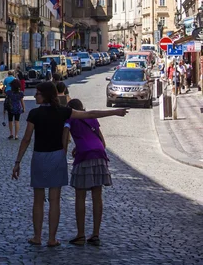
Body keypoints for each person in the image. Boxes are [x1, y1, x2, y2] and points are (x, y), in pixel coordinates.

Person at [12, 82, 128, 247]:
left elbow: (26, 139)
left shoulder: (34, 114)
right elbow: (90, 114)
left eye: (37, 93)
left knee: (38, 199)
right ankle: (52, 238)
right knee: (55, 200)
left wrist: (18, 162)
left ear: (45, 95)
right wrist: (115, 112)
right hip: (57, 157)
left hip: (39, 157)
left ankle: (37, 237)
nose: (35, 96)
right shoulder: (63, 112)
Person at [66, 99, 112, 247]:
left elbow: (66, 139)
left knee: (80, 196)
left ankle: (80, 235)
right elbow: (102, 142)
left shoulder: (70, 119)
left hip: (84, 158)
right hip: (99, 156)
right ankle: (96, 234)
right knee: (97, 196)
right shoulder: (91, 118)